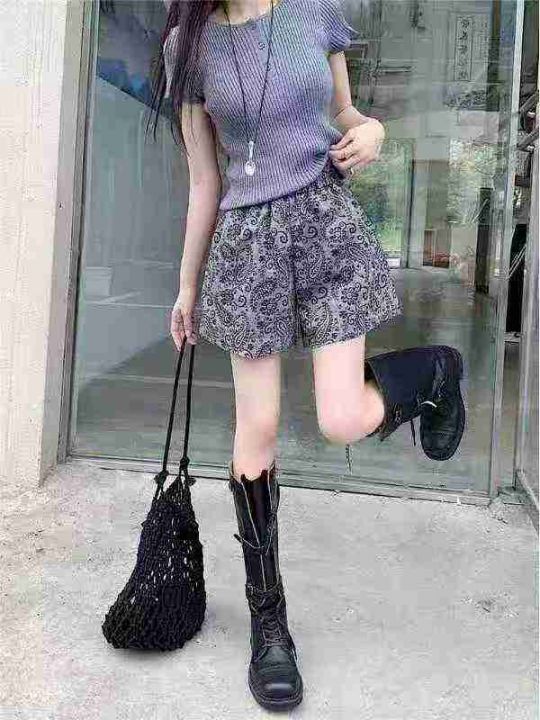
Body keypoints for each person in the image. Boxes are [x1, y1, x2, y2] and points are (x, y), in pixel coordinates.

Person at [151, 0, 466, 711]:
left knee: (340, 418)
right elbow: (204, 180)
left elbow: (347, 114)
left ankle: (435, 371)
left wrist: (373, 130)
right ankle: (270, 625)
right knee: (256, 429)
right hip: (247, 246)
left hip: (325, 224)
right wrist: (187, 286)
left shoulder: (314, 12)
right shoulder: (188, 44)